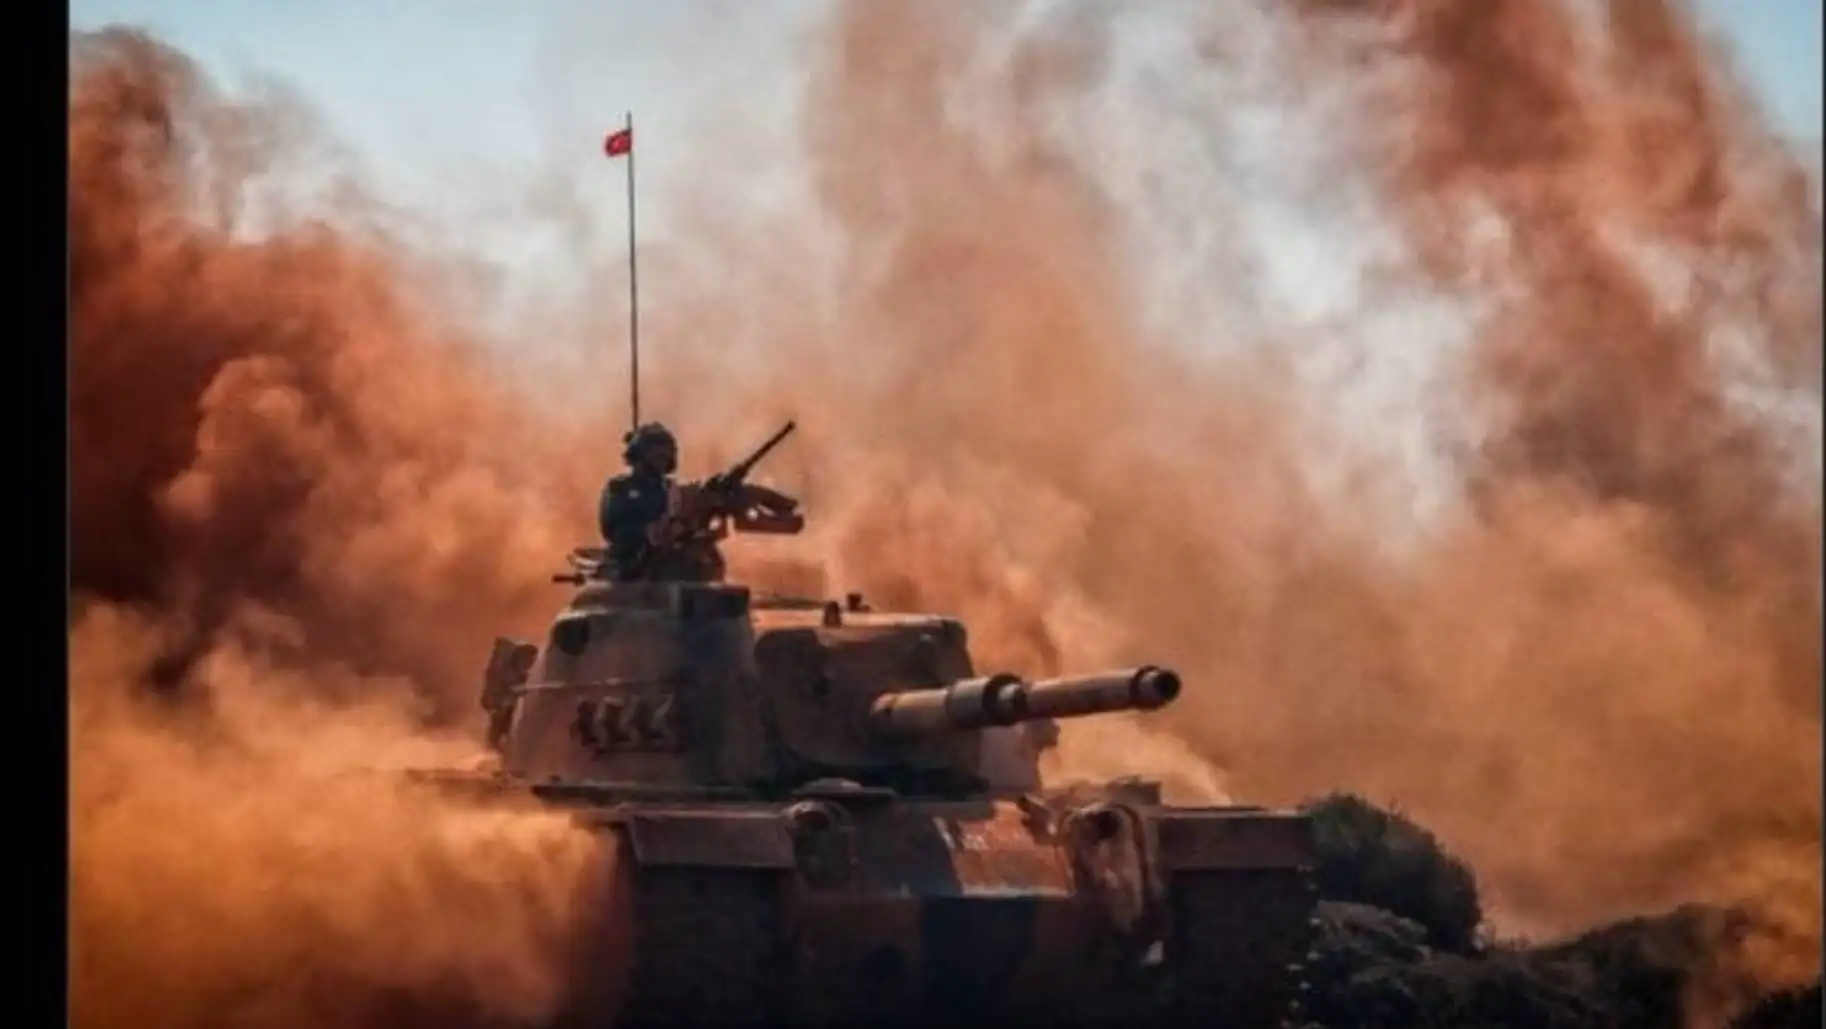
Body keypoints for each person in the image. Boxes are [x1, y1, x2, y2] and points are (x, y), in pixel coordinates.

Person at [599, 422, 680, 580]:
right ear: (639, 454)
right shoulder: (620, 488)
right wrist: (647, 532)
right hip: (630, 569)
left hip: (671, 569)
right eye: (657, 450)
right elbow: (614, 530)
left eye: (666, 452)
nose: (663, 457)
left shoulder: (672, 490)